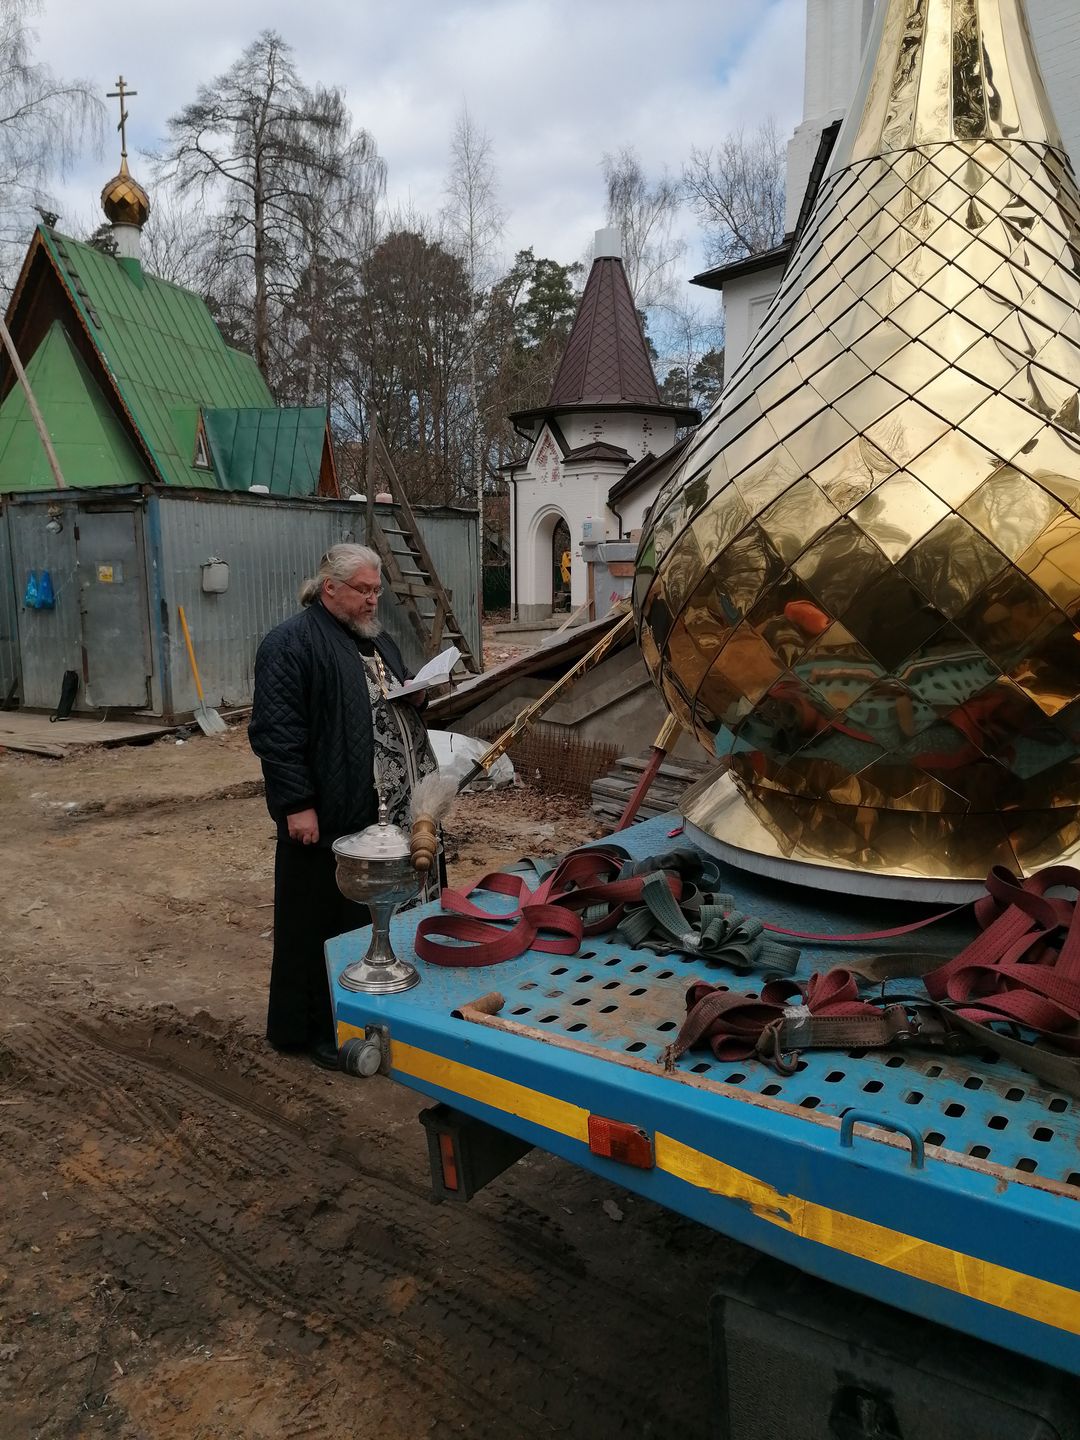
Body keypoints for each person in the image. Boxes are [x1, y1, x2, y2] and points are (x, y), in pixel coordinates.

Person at [249, 544, 436, 1069]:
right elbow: (277, 734)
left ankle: (376, 1013)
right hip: (329, 817)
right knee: (321, 923)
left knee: (375, 921)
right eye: (363, 590)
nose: (373, 600)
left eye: (377, 590)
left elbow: (392, 694)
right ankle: (316, 1030)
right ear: (329, 587)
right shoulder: (291, 644)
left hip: (385, 818)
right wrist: (296, 804)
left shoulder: (376, 642)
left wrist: (418, 695)